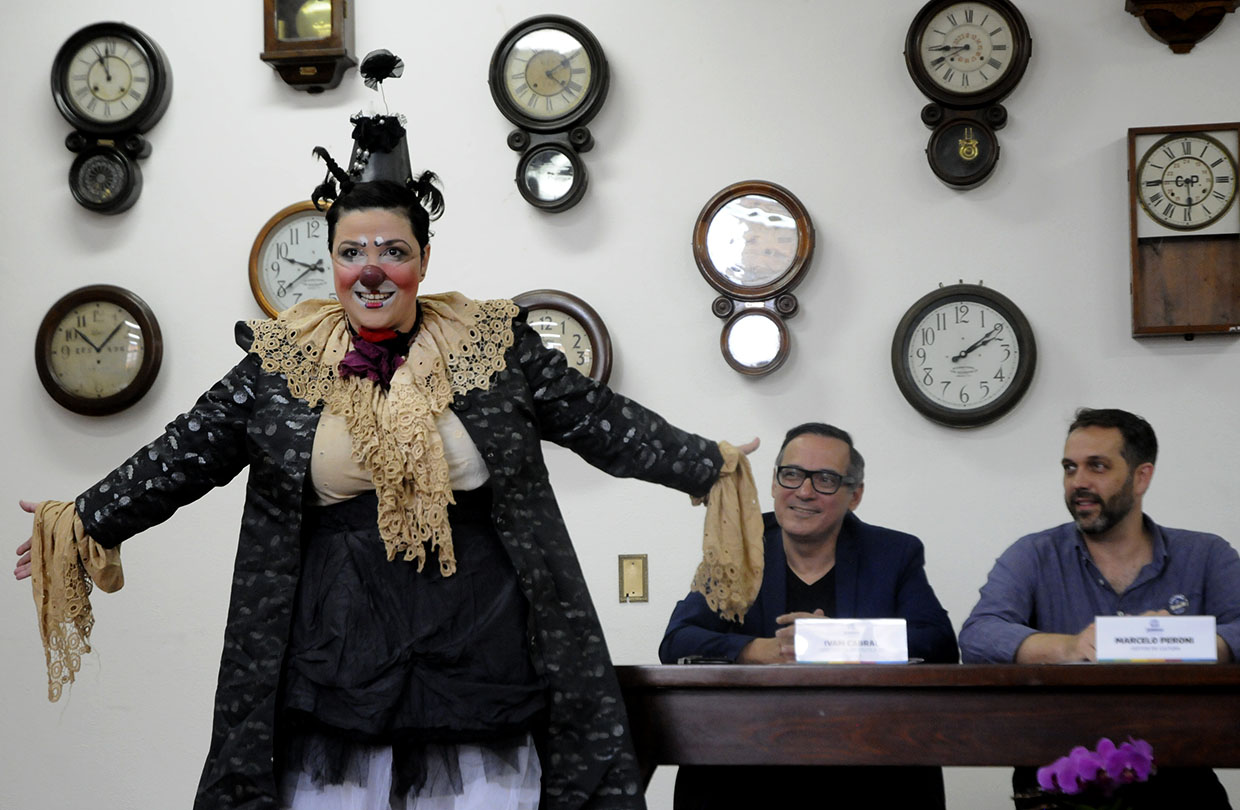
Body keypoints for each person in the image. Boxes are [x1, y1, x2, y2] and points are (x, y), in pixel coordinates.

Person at [13, 53, 764, 810]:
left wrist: (709, 464)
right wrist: (81, 519)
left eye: (394, 251)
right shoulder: (281, 364)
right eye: (352, 252)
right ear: (332, 262)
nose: (372, 271)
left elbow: (603, 420)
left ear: (423, 260)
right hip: (336, 644)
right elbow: (185, 450)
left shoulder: (494, 347)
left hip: (482, 640)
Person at [659, 422, 959, 810]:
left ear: (855, 495)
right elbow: (677, 639)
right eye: (792, 474)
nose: (804, 491)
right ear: (772, 483)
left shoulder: (893, 553)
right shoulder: (740, 548)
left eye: (826, 480)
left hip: (865, 759)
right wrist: (759, 650)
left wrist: (836, 642)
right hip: (750, 759)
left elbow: (937, 643)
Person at [959, 407, 1240, 808]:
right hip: (1061, 775)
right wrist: (1070, 648)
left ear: (1141, 476)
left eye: (1097, 467)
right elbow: (978, 635)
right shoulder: (1033, 555)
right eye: (1070, 468)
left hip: (1178, 769)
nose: (1079, 483)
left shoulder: (1206, 554)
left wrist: (1187, 642)